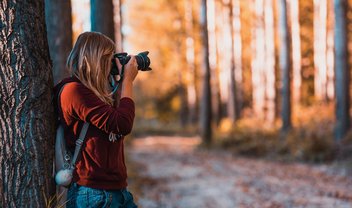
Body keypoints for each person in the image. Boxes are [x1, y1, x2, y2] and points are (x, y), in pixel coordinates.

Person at [53, 31, 138, 208]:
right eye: (109, 58)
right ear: (96, 59)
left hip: (118, 191)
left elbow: (118, 118)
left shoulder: (99, 93)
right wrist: (128, 81)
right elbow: (122, 124)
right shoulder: (73, 91)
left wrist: (121, 80)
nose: (112, 64)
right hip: (93, 194)